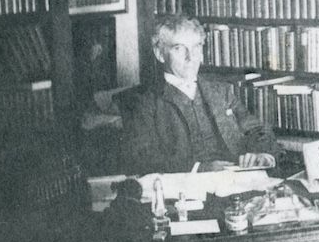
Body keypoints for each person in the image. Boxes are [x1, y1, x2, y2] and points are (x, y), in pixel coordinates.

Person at [116, 14, 279, 174]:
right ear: (159, 54)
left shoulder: (221, 91)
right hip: (185, 189)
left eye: (196, 47)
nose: (191, 57)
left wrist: (261, 153)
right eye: (179, 48)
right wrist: (198, 169)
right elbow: (142, 158)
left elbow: (257, 129)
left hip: (236, 178)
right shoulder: (142, 101)